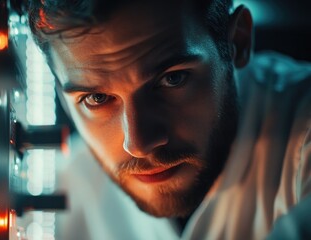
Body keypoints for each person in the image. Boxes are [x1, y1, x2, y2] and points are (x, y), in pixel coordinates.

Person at [23, 0, 311, 239]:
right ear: (60, 95)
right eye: (97, 99)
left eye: (172, 79)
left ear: (237, 41)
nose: (139, 143)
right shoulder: (55, 197)